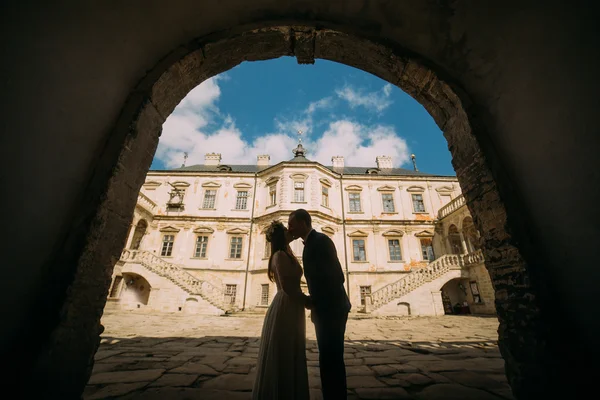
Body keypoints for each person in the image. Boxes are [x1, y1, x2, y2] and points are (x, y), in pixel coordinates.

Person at [288, 209, 352, 400]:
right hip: (326, 308)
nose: (289, 227)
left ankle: (335, 396)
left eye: (292, 223)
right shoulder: (313, 242)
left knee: (331, 358)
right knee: (328, 357)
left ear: (303, 223)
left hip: (331, 309)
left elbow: (336, 276)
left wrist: (314, 302)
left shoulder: (320, 241)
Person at [252, 220, 310, 400]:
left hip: (292, 305)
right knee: (283, 352)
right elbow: (287, 287)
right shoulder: (279, 255)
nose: (289, 231)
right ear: (280, 236)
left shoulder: (286, 253)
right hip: (286, 304)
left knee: (291, 349)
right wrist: (309, 301)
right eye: (286, 230)